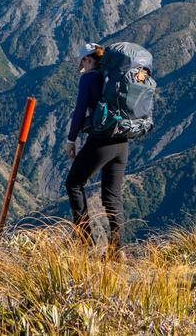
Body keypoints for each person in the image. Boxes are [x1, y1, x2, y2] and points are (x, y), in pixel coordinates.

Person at [64, 42, 129, 252]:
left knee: (73, 184)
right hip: (122, 140)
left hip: (101, 140)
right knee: (112, 197)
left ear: (86, 59)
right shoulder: (114, 77)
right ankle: (117, 251)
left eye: (82, 61)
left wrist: (71, 139)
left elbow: (80, 109)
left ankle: (85, 244)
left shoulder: (90, 78)